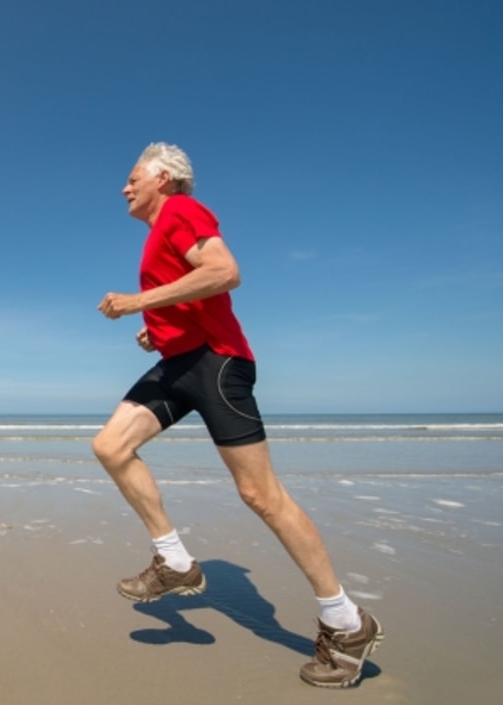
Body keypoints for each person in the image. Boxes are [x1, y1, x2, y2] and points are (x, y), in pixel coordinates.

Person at [93, 142, 383, 688]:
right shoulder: (159, 232)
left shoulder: (181, 210)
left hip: (216, 363)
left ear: (166, 179)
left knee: (260, 495)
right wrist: (154, 325)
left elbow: (224, 271)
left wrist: (137, 302)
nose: (125, 187)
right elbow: (188, 295)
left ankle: (346, 622)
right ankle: (175, 562)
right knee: (110, 446)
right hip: (180, 363)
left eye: (134, 177)